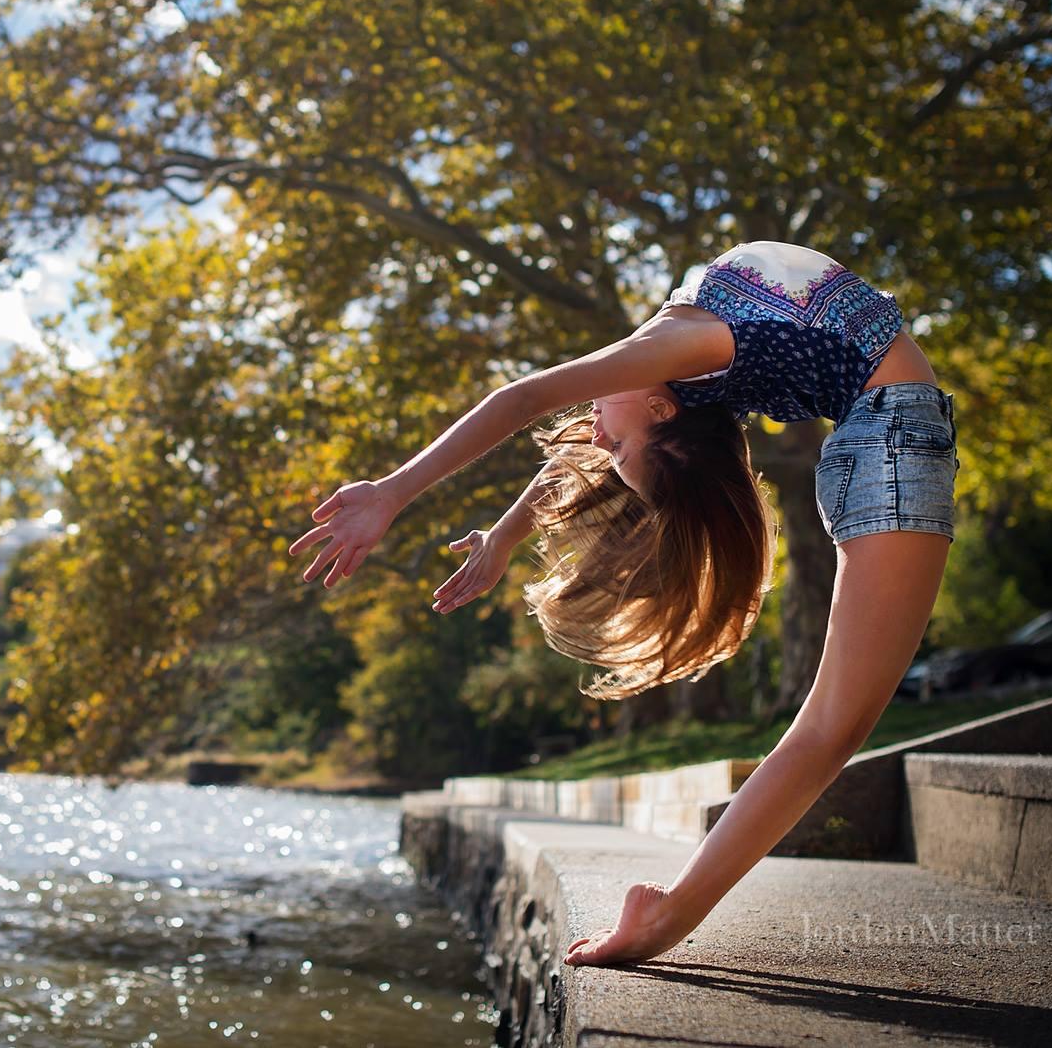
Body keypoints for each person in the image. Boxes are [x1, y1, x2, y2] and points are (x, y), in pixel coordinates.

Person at [286, 240, 960, 966]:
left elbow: (528, 403)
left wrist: (395, 492)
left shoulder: (684, 348)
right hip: (891, 436)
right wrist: (507, 536)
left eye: (616, 453)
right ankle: (669, 914)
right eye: (623, 451)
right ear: (658, 405)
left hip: (890, 436)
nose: (602, 440)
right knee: (831, 728)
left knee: (832, 728)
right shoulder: (681, 363)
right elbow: (573, 432)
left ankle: (669, 916)